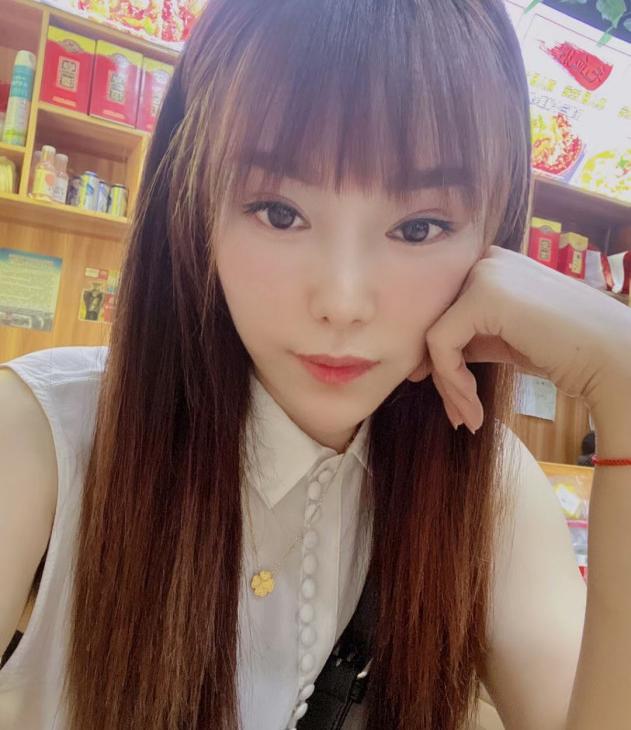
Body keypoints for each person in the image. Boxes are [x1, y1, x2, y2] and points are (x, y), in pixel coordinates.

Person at [1, 1, 631, 729]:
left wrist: (622, 379)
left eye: (419, 227)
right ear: (193, 206)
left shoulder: (491, 486)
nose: (341, 302)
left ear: (495, 236)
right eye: (279, 212)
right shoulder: (41, 439)